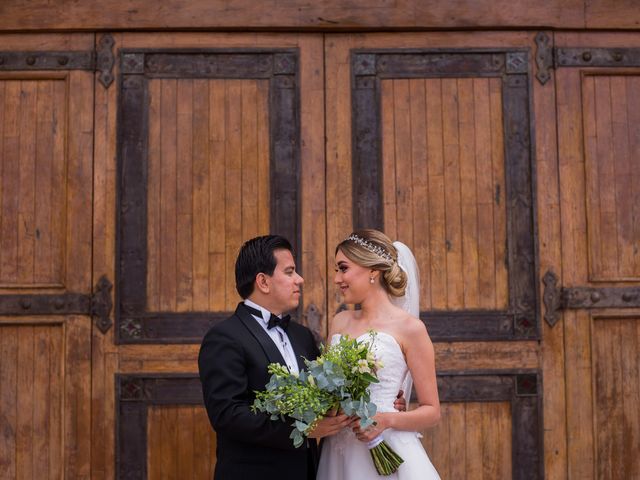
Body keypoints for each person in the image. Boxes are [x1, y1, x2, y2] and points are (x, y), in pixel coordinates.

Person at [198, 235, 353, 480]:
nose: (299, 280)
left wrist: (367, 396)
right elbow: (228, 415)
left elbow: (323, 395)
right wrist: (302, 429)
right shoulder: (224, 337)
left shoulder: (302, 336)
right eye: (290, 272)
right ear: (263, 282)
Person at [317, 229, 441, 480]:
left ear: (373, 271)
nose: (336, 278)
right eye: (336, 270)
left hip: (387, 444)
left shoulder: (410, 329)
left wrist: (385, 419)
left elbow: (432, 411)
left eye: (343, 268)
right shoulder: (339, 321)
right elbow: (327, 390)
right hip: (338, 451)